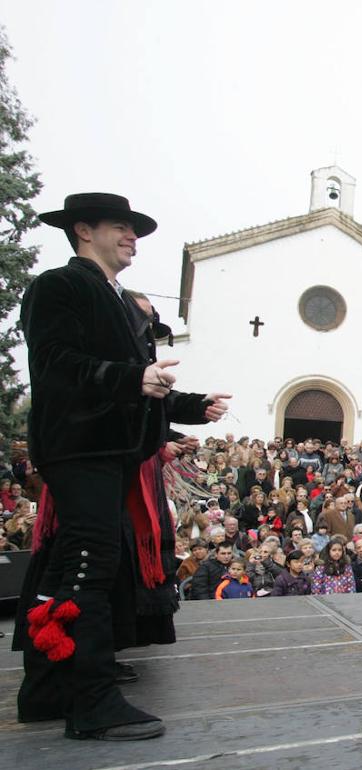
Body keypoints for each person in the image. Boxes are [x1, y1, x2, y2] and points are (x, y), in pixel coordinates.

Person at [14, 193, 229, 741]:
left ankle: (45, 689)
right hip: (80, 450)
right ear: (83, 230)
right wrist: (133, 379)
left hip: (105, 453)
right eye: (121, 227)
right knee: (91, 568)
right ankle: (91, 701)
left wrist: (188, 404)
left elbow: (135, 379)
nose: (133, 237)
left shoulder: (111, 296)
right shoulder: (59, 286)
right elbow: (57, 363)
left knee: (72, 571)